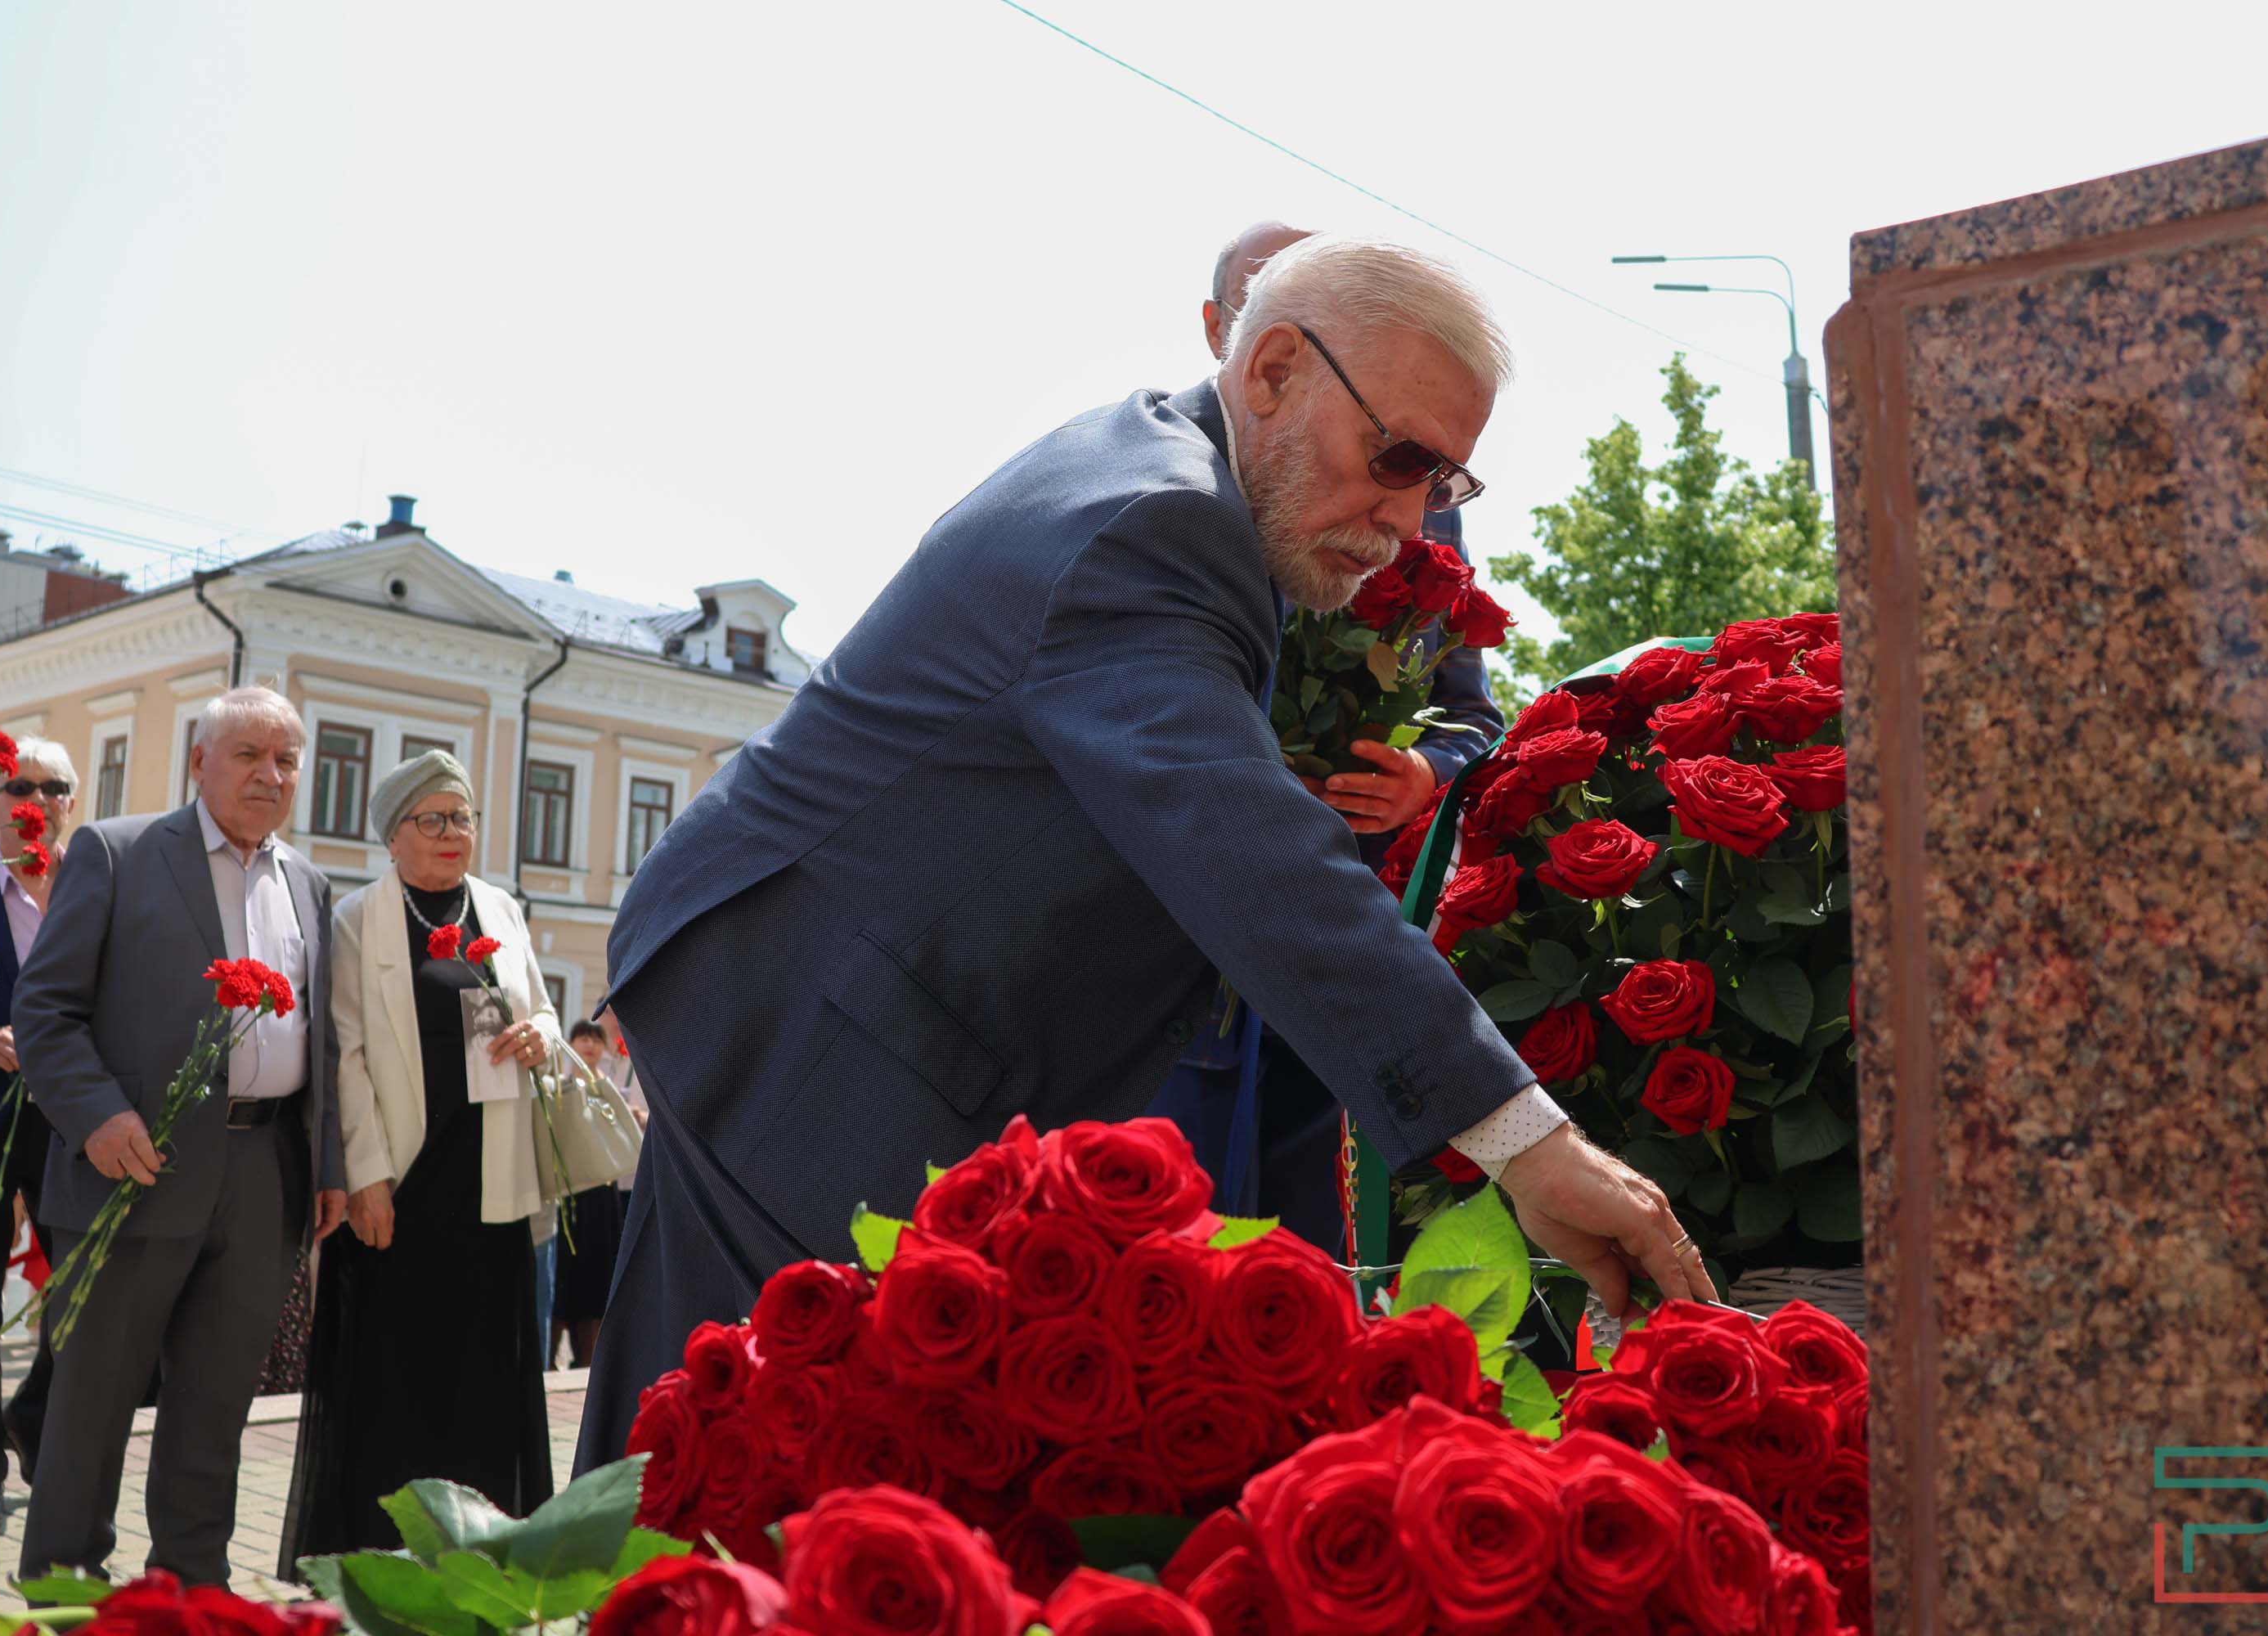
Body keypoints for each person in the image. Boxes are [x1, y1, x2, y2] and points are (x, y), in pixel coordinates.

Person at [576, 235, 1720, 1472]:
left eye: (1446, 481)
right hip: (813, 1036)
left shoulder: (1185, 486)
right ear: (1273, 369)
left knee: (734, 1473)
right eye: (1397, 458)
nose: (1408, 520)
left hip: (840, 1015)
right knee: (743, 1486)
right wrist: (1527, 1142)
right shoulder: (1153, 520)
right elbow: (1252, 854)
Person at [1157, 222, 1507, 1249]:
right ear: (1238, 338)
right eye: (1270, 291)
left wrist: (1421, 773)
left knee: (1308, 1244)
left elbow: (1475, 718)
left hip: (1347, 935)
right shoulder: (1164, 502)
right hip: (1188, 951)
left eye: (1425, 481)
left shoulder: (1415, 509)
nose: (1399, 516)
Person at [14, 686, 347, 1585]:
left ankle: (192, 1588)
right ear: (200, 762)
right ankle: (63, 1589)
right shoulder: (117, 853)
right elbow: (45, 1010)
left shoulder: (309, 884)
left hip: (265, 1176)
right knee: (93, 1403)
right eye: (249, 755)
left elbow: (321, 1041)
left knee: (214, 1407)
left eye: (286, 760)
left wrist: (328, 1164)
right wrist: (96, 1115)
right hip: (134, 1168)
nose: (270, 775)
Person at [280, 753, 559, 1563]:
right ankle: (384, 1555)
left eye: (462, 816)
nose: (451, 832)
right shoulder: (359, 919)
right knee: (397, 1378)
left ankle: (486, 1555)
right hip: (403, 1188)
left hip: (494, 1184)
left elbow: (543, 1011)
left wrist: (540, 1036)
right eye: (431, 818)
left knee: (487, 1378)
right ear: (393, 835)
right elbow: (346, 1054)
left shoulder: (499, 907)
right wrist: (365, 1174)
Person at [0, 738, 79, 1512]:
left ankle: (38, 1419)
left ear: (71, 805)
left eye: (54, 788)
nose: (36, 801)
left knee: (87, 1296)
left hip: (76, 1127)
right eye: (20, 786)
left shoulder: (97, 886)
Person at [550, 1020, 627, 1369]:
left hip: (601, 1197)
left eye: (596, 1039)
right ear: (571, 1043)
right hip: (567, 1196)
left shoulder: (608, 1089)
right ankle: (549, 1359)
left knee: (595, 1282)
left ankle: (587, 1363)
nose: (590, 1045)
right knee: (561, 1279)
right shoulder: (557, 1087)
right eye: (583, 1038)